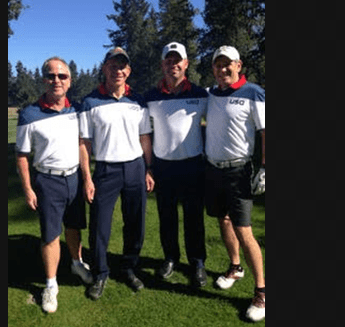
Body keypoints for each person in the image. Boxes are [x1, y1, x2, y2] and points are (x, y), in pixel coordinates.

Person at [14, 57, 94, 313]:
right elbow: (22, 156)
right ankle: (50, 285)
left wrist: (87, 177)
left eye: (62, 76)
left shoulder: (77, 110)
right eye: (51, 76)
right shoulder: (29, 114)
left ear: (70, 81)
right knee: (50, 235)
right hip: (47, 181)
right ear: (44, 79)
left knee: (74, 227)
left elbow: (83, 146)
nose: (56, 80)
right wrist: (28, 189)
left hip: (74, 178)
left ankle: (76, 262)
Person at [78, 47, 154, 300]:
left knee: (135, 222)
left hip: (135, 167)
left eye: (122, 66)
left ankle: (129, 267)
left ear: (128, 71)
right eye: (112, 65)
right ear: (104, 68)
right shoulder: (90, 102)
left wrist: (148, 168)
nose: (117, 70)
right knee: (100, 224)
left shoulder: (138, 101)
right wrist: (87, 178)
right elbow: (84, 143)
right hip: (106, 169)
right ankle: (100, 273)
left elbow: (144, 137)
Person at [204, 45, 266, 322]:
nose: (223, 69)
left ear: (239, 65)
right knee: (224, 220)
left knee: (244, 230)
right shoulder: (212, 93)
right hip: (213, 170)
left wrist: (265, 168)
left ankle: (262, 292)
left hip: (239, 170)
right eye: (218, 64)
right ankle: (235, 267)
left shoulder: (253, 92)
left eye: (228, 64)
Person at [142, 42, 209, 287]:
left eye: (177, 60)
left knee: (194, 219)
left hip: (193, 166)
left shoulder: (201, 94)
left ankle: (197, 262)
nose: (173, 64)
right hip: (163, 167)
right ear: (162, 65)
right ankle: (170, 257)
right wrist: (148, 166)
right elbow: (143, 133)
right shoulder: (150, 96)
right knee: (167, 217)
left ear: (186, 63)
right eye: (168, 61)